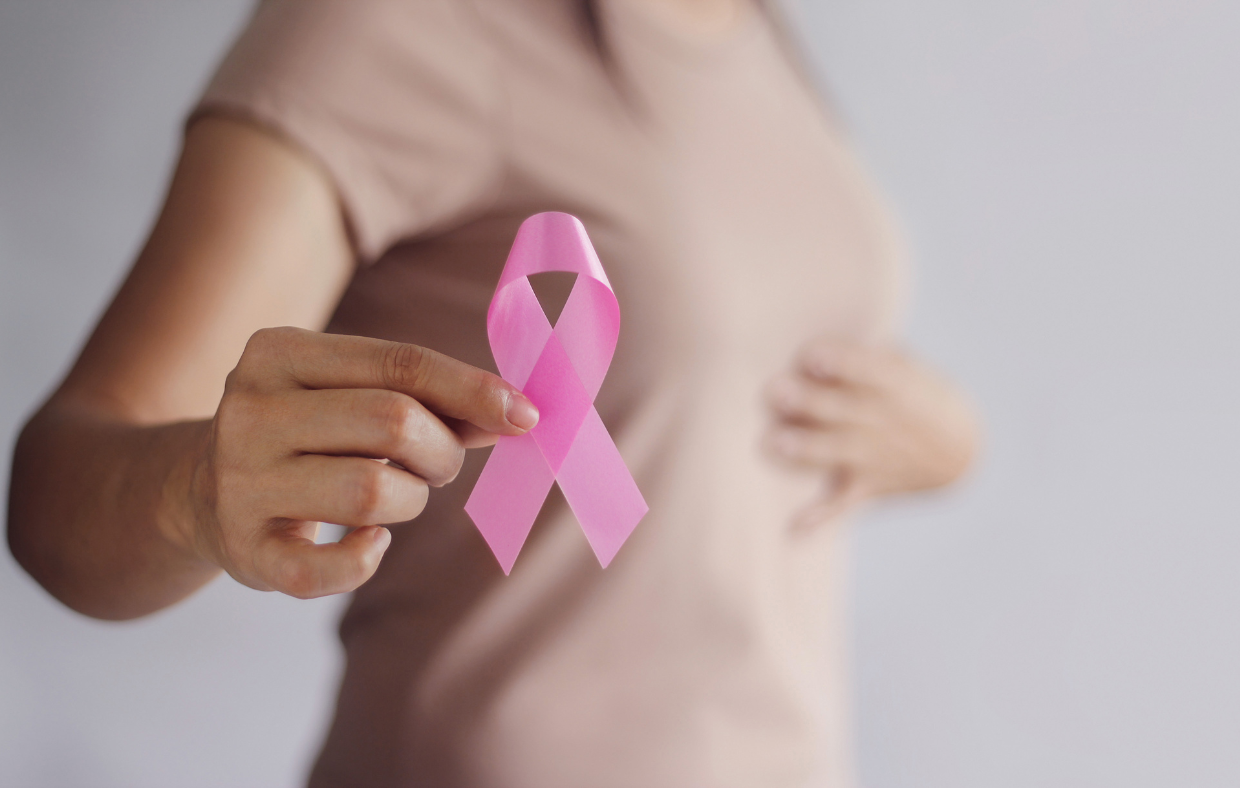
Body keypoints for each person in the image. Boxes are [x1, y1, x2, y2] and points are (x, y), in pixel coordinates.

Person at [6, 0, 979, 785]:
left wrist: (943, 442)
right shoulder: (391, 27)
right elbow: (59, 490)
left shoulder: (758, 32)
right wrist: (191, 491)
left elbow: (721, 362)